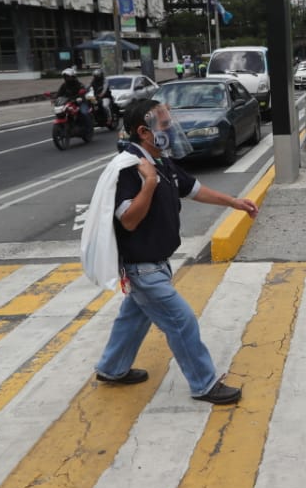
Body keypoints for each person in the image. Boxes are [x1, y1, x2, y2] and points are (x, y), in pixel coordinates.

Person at [82, 98, 258, 403]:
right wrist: (149, 183)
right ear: (144, 131)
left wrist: (234, 202)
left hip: (156, 264)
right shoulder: (130, 168)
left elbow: (194, 189)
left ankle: (112, 368)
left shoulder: (159, 161)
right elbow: (129, 220)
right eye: (164, 125)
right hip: (142, 267)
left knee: (133, 319)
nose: (171, 129)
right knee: (181, 321)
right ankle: (204, 384)